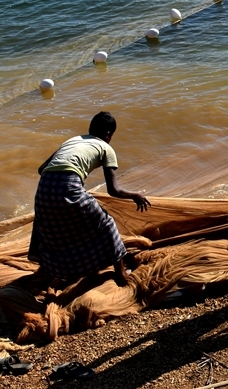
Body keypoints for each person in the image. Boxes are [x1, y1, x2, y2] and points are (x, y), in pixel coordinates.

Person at [28, 112, 150, 286]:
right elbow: (113, 190)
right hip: (68, 187)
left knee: (59, 229)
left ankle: (61, 272)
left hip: (43, 191)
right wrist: (135, 195)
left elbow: (42, 169)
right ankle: (122, 275)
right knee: (106, 224)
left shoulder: (73, 140)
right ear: (109, 135)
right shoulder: (106, 148)